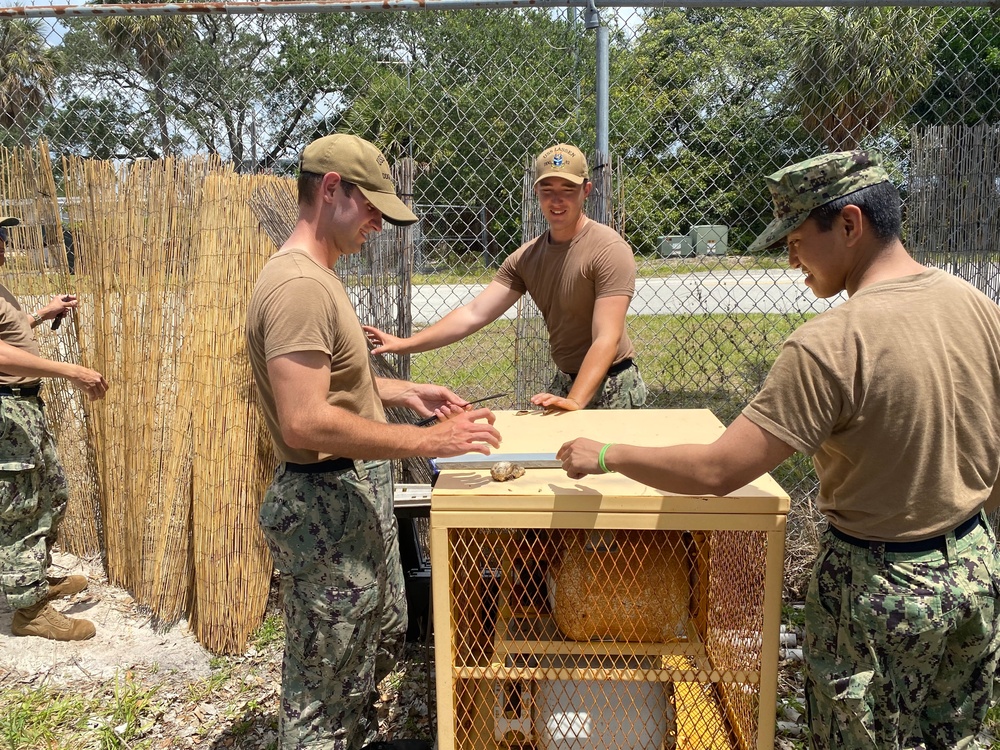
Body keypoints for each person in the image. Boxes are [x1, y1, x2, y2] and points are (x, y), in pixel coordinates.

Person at [557, 151, 1000, 749]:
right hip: (973, 570)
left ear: (849, 225)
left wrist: (607, 454)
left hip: (877, 591)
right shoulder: (976, 307)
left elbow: (719, 470)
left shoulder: (832, 343)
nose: (790, 260)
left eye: (796, 239)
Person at [245, 133, 502, 750]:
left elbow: (331, 388)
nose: (380, 225)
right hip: (321, 499)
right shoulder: (299, 288)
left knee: (368, 641)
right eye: (372, 209)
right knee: (323, 680)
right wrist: (426, 442)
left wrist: (403, 395)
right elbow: (304, 420)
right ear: (331, 188)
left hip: (342, 492)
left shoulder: (318, 276)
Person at [364, 142, 646, 412]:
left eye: (568, 190)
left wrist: (574, 401)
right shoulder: (526, 258)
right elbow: (474, 313)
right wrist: (405, 344)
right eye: (547, 189)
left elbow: (606, 338)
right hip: (568, 381)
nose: (556, 200)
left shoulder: (609, 249)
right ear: (536, 192)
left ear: (586, 191)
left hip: (613, 383)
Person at [0, 216, 109, 641]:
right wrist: (68, 370)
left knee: (51, 493)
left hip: (23, 408)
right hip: (6, 412)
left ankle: (34, 580)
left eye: (3, 237)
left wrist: (41, 314)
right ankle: (28, 612)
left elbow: (9, 334)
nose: (3, 245)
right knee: (19, 508)